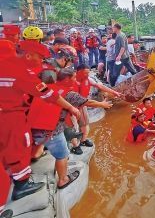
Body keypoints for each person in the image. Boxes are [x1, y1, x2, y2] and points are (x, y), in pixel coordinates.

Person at [0, 40, 80, 206]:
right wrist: (72, 107)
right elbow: (48, 94)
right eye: (40, 58)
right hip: (12, 117)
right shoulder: (21, 72)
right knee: (19, 147)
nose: (42, 61)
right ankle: (23, 185)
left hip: (21, 116)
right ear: (29, 55)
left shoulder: (12, 67)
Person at [30, 68, 111, 188]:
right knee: (62, 154)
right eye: (73, 77)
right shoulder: (69, 94)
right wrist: (102, 104)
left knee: (37, 146)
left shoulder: (44, 87)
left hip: (31, 126)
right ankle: (63, 179)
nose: (75, 80)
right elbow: (88, 102)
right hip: (51, 129)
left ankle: (35, 156)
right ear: (67, 79)